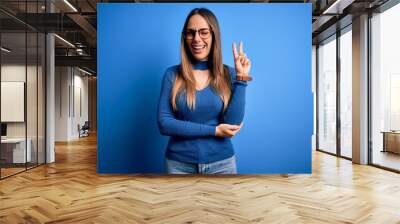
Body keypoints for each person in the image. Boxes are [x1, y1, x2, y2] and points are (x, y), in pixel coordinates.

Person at [157, 8, 252, 174]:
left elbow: (232, 125)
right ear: (184, 37)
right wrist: (214, 130)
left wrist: (241, 78)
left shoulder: (229, 74)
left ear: (214, 35)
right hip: (178, 165)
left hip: (222, 165)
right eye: (190, 33)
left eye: (203, 32)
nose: (196, 39)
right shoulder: (172, 74)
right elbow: (164, 124)